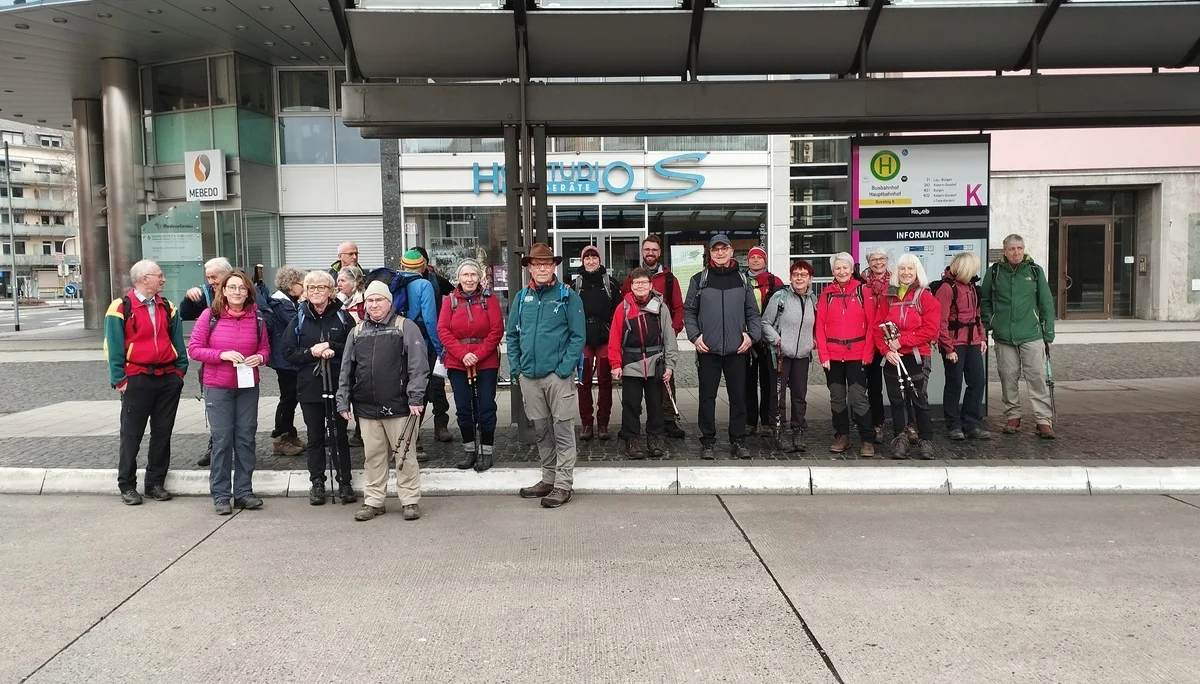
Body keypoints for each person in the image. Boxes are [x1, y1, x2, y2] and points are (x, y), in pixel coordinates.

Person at [337, 281, 430, 522]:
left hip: (400, 406)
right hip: (366, 407)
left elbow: (418, 366)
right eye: (370, 300)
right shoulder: (357, 331)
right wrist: (343, 400)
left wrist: (416, 397)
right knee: (373, 457)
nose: (374, 304)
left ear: (389, 302)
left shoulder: (405, 326)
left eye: (379, 300)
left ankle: (409, 501)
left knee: (405, 455)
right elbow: (346, 369)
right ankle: (374, 501)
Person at [507, 243, 586, 509]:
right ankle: (548, 478)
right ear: (529, 267)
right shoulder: (521, 298)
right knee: (541, 431)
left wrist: (564, 369)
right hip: (529, 378)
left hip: (557, 377)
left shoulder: (567, 296)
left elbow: (578, 337)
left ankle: (563, 484)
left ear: (554, 266)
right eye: (537, 264)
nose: (542, 268)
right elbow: (512, 335)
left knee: (563, 431)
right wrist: (517, 369)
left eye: (547, 264)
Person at [103, 260, 188, 505]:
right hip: (136, 379)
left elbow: (178, 342)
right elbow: (113, 346)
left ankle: (154, 483)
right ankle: (127, 485)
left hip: (167, 378)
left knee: (163, 432)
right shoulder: (120, 307)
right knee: (131, 435)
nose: (163, 279)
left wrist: (179, 372)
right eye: (159, 275)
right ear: (143, 279)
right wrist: (120, 380)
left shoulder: (168, 307)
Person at [187, 271, 271, 515]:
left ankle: (244, 492)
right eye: (232, 287)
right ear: (223, 290)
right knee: (222, 440)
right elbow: (194, 349)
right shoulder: (210, 316)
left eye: (242, 288)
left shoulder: (257, 318)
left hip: (247, 386)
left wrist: (260, 358)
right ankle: (221, 495)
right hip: (218, 386)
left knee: (246, 438)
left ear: (248, 292)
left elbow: (265, 348)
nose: (237, 292)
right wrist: (221, 355)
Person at [282, 270, 358, 506]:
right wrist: (311, 352)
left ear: (331, 291)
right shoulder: (299, 318)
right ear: (305, 291)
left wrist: (331, 346)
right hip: (310, 386)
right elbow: (288, 352)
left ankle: (344, 482)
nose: (316, 292)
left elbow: (355, 346)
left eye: (321, 287)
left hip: (338, 384)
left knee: (339, 435)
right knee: (315, 437)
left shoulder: (343, 317)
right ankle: (317, 482)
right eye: (311, 288)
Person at [683, 234, 762, 460]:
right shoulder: (699, 279)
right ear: (710, 253)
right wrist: (695, 336)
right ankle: (707, 441)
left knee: (738, 397)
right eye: (716, 249)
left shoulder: (743, 279)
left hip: (738, 350)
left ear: (731, 252)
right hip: (708, 349)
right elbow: (689, 311)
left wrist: (752, 336)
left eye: (724, 249)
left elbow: (753, 313)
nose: (720, 253)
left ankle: (738, 440)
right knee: (707, 397)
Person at [981, 233, 1057, 439]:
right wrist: (991, 322)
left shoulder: (1034, 271)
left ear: (1024, 250)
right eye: (1012, 249)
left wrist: (1048, 332)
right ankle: (1013, 416)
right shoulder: (994, 272)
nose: (1016, 252)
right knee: (1008, 377)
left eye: (1019, 248)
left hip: (1032, 334)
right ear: (1005, 251)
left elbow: (1046, 303)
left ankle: (1043, 420)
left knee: (1037, 377)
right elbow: (985, 300)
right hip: (1004, 335)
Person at [437, 259, 505, 472]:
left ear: (479, 277)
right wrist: (463, 354)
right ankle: (469, 450)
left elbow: (496, 330)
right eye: (465, 275)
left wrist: (477, 355)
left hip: (486, 362)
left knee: (486, 407)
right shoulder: (449, 301)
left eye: (473, 275)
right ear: (458, 277)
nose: (469, 279)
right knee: (464, 409)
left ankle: (486, 451)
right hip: (458, 362)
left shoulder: (489, 299)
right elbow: (443, 330)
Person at [873, 253, 941, 459]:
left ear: (917, 271)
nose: (906, 272)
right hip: (893, 357)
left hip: (916, 355)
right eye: (902, 268)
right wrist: (886, 351)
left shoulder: (925, 297)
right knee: (897, 401)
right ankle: (900, 440)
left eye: (910, 268)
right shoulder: (888, 297)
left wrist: (902, 341)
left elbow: (930, 330)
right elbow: (877, 327)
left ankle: (926, 440)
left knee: (919, 399)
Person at [609, 267, 678, 459]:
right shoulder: (623, 308)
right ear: (631, 285)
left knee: (656, 404)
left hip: (656, 362)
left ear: (651, 285)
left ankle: (654, 439)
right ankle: (631, 440)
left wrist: (670, 364)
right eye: (636, 282)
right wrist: (615, 364)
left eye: (644, 282)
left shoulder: (661, 308)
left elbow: (669, 337)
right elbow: (614, 337)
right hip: (631, 363)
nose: (640, 286)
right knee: (631, 405)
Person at [621, 235, 686, 438]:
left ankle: (668, 420)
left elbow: (678, 307)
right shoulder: (631, 278)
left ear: (659, 252)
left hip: (662, 341)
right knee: (636, 388)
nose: (650, 253)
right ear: (642, 252)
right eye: (647, 249)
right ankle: (633, 423)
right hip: (637, 344)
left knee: (665, 382)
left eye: (654, 250)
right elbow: (624, 308)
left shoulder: (669, 279)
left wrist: (672, 333)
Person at [815, 252, 878, 457]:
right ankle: (842, 435)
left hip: (857, 355)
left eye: (845, 267)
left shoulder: (863, 291)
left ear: (852, 270)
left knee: (858, 397)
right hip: (833, 356)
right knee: (837, 397)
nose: (841, 271)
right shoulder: (827, 294)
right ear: (833, 271)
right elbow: (819, 327)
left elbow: (872, 325)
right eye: (837, 268)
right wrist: (823, 354)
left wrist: (868, 353)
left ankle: (867, 439)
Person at [180, 256, 233, 468]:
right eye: (208, 277)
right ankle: (216, 446)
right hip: (212, 362)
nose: (211, 281)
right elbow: (185, 313)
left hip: (240, 362)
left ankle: (241, 447)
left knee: (242, 411)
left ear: (227, 274)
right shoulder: (205, 294)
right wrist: (188, 298)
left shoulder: (243, 289)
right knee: (215, 408)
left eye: (214, 277)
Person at [760, 260, 816, 453]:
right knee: (778, 395)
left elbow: (817, 324)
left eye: (803, 275)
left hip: (802, 355)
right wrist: (778, 341)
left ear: (810, 279)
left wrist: (813, 341)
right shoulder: (780, 297)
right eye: (795, 274)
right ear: (790, 277)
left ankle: (798, 430)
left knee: (800, 394)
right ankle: (779, 430)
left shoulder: (812, 300)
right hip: (781, 355)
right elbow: (765, 323)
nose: (799, 278)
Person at [935, 251, 990, 441]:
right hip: (954, 342)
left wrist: (981, 337)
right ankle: (954, 425)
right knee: (955, 383)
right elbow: (940, 321)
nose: (976, 271)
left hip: (972, 341)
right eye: (973, 268)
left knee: (977, 381)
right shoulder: (947, 288)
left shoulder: (972, 287)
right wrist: (948, 348)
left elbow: (977, 315)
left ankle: (970, 423)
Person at [572, 244, 622, 441]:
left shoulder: (611, 284)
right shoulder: (575, 285)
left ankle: (603, 423)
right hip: (583, 339)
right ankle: (586, 423)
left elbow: (619, 312)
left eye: (594, 257)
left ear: (600, 260)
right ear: (582, 261)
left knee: (605, 381)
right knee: (583, 382)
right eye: (587, 257)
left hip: (604, 339)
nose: (591, 261)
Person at [397, 249, 447, 444]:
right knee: (421, 389)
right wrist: (439, 348)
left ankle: (399, 435)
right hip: (421, 344)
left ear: (401, 265)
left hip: (396, 342)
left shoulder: (394, 282)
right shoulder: (424, 285)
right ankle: (414, 440)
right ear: (424, 266)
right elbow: (430, 320)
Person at [259, 266, 307, 457]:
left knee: (291, 397)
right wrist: (305, 303)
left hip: (287, 359)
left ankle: (289, 433)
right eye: (301, 284)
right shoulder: (281, 303)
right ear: (290, 285)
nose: (304, 288)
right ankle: (282, 436)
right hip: (286, 361)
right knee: (288, 398)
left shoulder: (286, 301)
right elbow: (297, 325)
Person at [744, 245, 785, 437]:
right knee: (748, 382)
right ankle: (750, 421)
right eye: (752, 257)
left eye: (759, 257)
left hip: (769, 340)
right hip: (748, 340)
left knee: (769, 381)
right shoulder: (741, 280)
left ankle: (767, 421)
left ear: (765, 261)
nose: (755, 260)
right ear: (747, 261)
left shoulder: (775, 281)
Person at [414, 246, 454, 442]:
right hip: (414, 343)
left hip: (433, 340)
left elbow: (455, 294)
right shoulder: (402, 283)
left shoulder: (436, 281)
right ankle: (414, 432)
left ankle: (441, 425)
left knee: (437, 384)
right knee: (416, 388)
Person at [857, 249, 892, 442]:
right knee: (874, 386)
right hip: (869, 340)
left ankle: (908, 424)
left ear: (887, 260)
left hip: (892, 339)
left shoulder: (895, 282)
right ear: (868, 263)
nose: (878, 262)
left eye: (881, 259)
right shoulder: (862, 284)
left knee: (900, 385)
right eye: (874, 259)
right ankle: (878, 423)